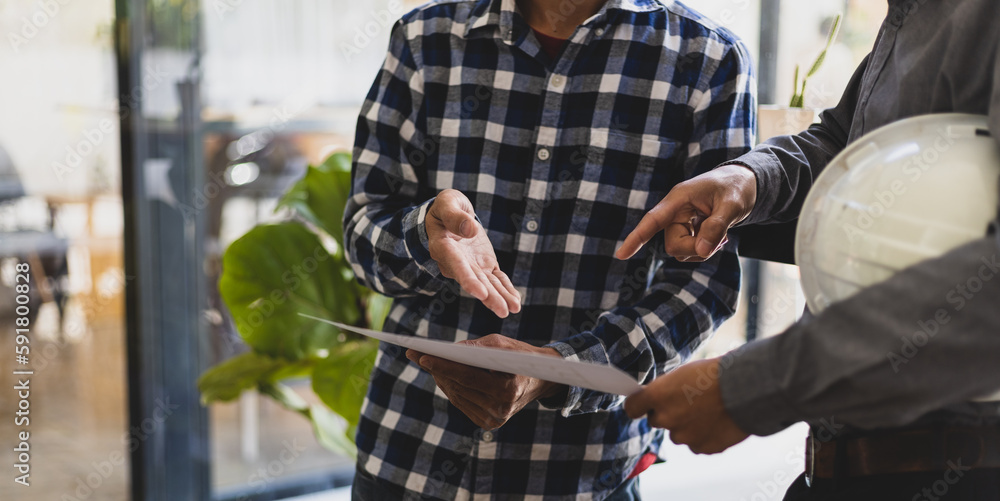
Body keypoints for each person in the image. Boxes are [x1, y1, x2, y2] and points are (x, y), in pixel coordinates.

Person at [343, 0, 756, 498]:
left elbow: (703, 288)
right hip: (408, 453)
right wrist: (423, 235)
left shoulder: (707, 58)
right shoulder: (424, 37)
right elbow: (363, 229)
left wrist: (557, 370)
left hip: (582, 472)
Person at [620, 0, 1000, 499]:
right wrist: (750, 179)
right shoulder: (914, 15)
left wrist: (750, 385)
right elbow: (848, 143)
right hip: (845, 463)